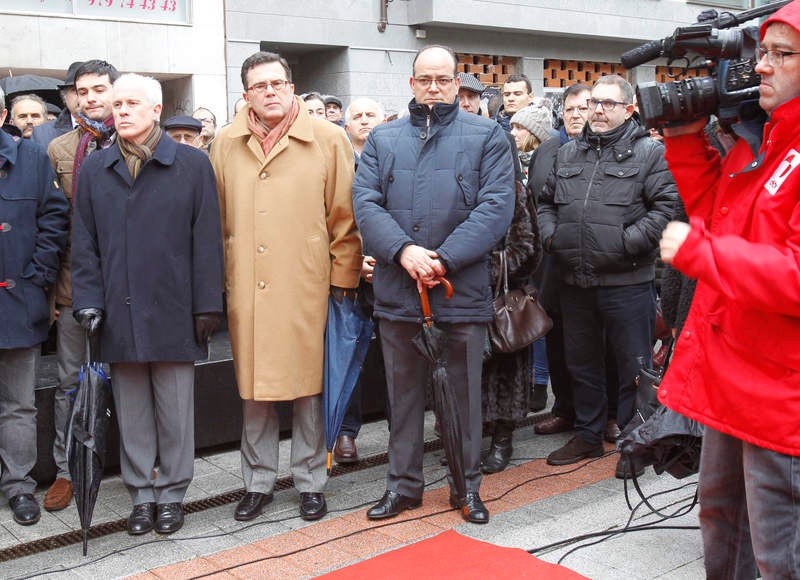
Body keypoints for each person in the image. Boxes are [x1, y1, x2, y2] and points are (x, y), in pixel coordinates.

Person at [658, 3, 800, 576]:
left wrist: (700, 252)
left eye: (783, 55)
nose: (762, 66)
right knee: (722, 525)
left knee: (778, 555)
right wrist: (687, 143)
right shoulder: (763, 141)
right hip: (734, 381)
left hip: (781, 398)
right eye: (763, 52)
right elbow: (722, 219)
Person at [353, 45, 514, 524]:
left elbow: (496, 208)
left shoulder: (487, 136)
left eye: (442, 80)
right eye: (425, 79)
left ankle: (466, 489)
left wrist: (442, 260)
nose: (434, 87)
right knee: (401, 398)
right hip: (398, 291)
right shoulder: (383, 140)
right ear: (411, 83)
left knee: (462, 400)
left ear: (457, 83)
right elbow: (365, 203)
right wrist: (403, 251)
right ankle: (402, 487)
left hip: (458, 291)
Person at [210, 51, 362, 523]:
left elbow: (345, 217)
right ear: (245, 94)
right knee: (253, 392)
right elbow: (215, 221)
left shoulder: (328, 138)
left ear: (291, 87)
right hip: (248, 289)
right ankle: (257, 483)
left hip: (307, 284)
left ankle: (311, 481)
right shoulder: (223, 143)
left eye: (278, 83)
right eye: (260, 86)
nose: (270, 92)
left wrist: (343, 281)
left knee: (308, 391)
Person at [71, 73, 224, 536]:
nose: (121, 110)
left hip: (176, 305)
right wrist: (88, 302)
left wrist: (207, 307)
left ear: (156, 110)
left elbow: (207, 240)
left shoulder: (193, 165)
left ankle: (173, 492)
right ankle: (141, 494)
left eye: (132, 103)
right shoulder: (96, 169)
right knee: (132, 407)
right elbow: (85, 244)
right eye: (117, 104)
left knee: (175, 406)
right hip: (118, 306)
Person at [538, 75, 676, 476]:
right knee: (581, 363)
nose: (597, 110)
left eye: (608, 104)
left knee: (633, 367)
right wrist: (551, 238)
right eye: (594, 102)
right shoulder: (568, 153)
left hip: (626, 282)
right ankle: (587, 434)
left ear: (629, 110)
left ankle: (634, 442)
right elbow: (545, 202)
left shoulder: (650, 153)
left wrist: (626, 242)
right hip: (575, 280)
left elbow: (666, 208)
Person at [43, 59, 120, 513]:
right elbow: (54, 225)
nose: (91, 98)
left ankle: (137, 462)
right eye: (83, 90)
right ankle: (65, 469)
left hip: (127, 284)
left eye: (99, 89)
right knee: (69, 381)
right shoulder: (58, 149)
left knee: (130, 379)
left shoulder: (135, 142)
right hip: (75, 285)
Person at [0, 85, 70, 526]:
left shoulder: (30, 158)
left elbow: (54, 218)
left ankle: (18, 485)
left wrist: (38, 278)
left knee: (18, 403)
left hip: (17, 300)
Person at [479, 92, 543, 475]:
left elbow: (527, 246)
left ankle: (502, 440)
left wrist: (490, 272)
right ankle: (473, 435)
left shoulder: (515, 189)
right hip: (466, 298)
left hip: (502, 298)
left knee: (504, 373)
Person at [335, 97, 387, 465]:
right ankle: (346, 433)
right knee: (348, 355)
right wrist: (356, 262)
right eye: (357, 115)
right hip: (349, 274)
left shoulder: (397, 154)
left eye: (371, 115)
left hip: (393, 268)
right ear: (346, 123)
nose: (365, 120)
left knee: (397, 358)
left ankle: (401, 429)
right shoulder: (337, 161)